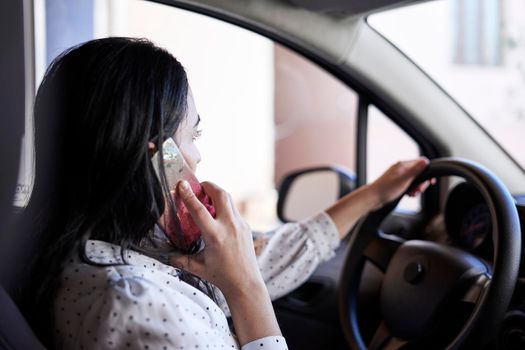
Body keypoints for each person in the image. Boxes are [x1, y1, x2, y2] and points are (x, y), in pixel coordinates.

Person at [21, 37, 430, 350]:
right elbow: (244, 276)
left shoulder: (111, 247)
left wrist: (375, 194)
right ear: (157, 155)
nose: (197, 158)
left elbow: (264, 259)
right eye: (192, 135)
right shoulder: (140, 309)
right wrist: (246, 288)